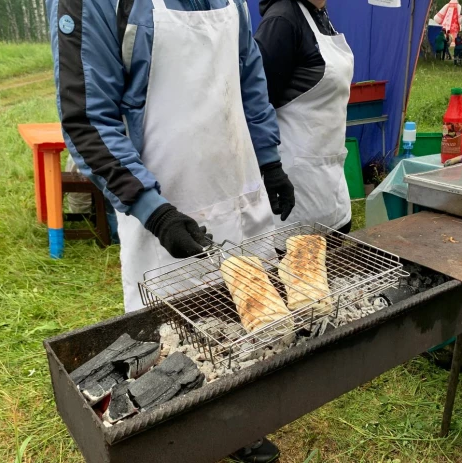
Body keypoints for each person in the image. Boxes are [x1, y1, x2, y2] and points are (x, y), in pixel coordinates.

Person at [46, 0, 294, 461]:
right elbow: (86, 121)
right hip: (161, 206)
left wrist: (270, 162)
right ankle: (173, 439)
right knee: (167, 343)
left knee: (242, 328)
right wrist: (153, 210)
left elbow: (249, 77)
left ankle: (239, 425)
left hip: (235, 190)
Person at [255, 0, 354, 234]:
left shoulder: (320, 14)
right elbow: (255, 103)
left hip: (331, 181)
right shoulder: (281, 21)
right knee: (294, 267)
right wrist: (269, 167)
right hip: (294, 187)